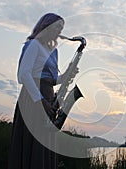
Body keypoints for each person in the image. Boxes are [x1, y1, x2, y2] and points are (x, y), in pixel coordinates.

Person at [8, 13, 76, 169]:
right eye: (58, 26)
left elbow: (51, 79)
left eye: (62, 27)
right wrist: (40, 101)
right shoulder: (33, 45)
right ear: (47, 25)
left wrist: (67, 74)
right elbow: (23, 75)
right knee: (34, 143)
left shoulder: (54, 51)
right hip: (33, 98)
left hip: (47, 95)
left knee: (45, 143)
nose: (60, 30)